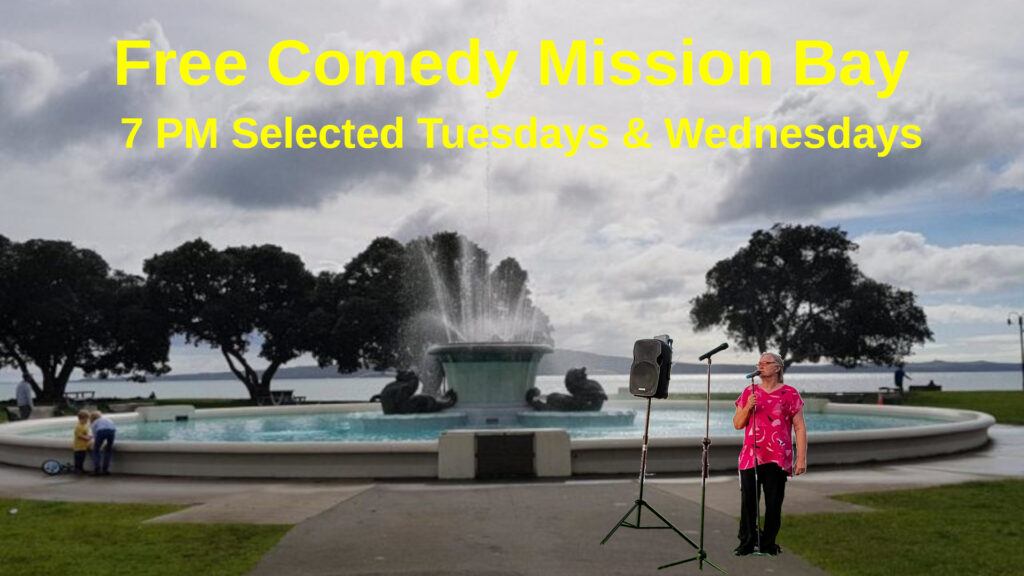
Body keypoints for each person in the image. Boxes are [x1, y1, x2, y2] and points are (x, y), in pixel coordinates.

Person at [732, 352, 807, 557]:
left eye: (767, 363)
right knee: (748, 502)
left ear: (777, 368)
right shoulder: (749, 392)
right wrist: (748, 406)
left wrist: (801, 458)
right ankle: (746, 543)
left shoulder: (790, 394)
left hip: (777, 456)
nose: (761, 365)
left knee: (774, 503)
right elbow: (738, 424)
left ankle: (768, 543)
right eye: (759, 363)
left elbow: (799, 427)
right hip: (751, 456)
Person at [89, 410, 116, 476]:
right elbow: (113, 428)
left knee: (96, 450)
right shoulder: (107, 419)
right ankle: (105, 470)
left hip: (101, 431)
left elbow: (95, 435)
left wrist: (97, 444)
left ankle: (97, 470)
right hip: (112, 431)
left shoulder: (94, 422)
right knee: (108, 450)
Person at [72, 410, 93, 474]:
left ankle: (81, 469)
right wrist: (88, 438)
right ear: (82, 419)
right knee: (78, 459)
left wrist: (89, 436)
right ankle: (77, 469)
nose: (87, 421)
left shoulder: (84, 425)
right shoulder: (78, 426)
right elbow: (79, 436)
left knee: (82, 459)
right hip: (79, 447)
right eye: (86, 419)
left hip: (83, 446)